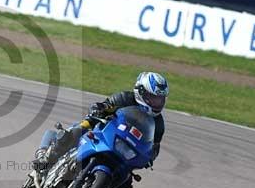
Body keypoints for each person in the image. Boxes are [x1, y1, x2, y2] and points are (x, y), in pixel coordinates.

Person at [33, 72, 169, 178]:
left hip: (126, 148)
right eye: (154, 98)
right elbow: (105, 105)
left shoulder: (159, 123)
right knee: (79, 129)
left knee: (127, 178)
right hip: (104, 130)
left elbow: (153, 146)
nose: (158, 103)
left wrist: (150, 156)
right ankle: (44, 159)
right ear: (141, 92)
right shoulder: (124, 98)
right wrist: (100, 108)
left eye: (160, 99)